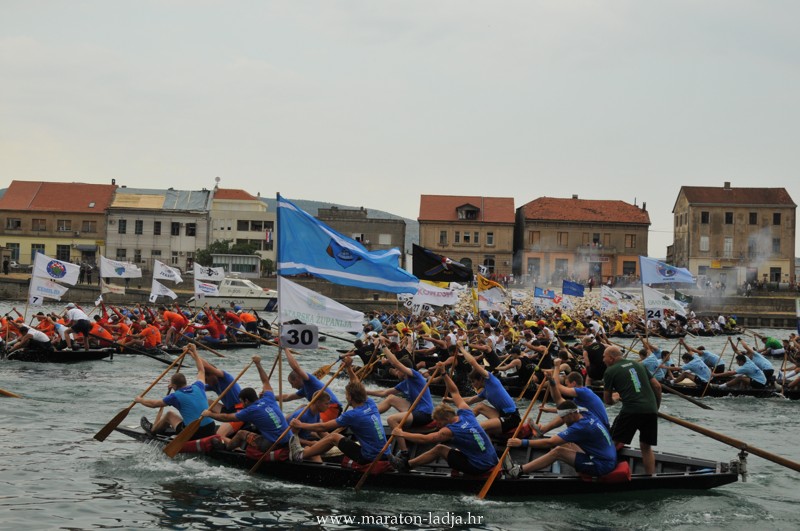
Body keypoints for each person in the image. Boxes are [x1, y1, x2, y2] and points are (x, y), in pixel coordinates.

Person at [390, 372, 499, 476]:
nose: (437, 425)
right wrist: (444, 374)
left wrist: (401, 433)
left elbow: (425, 439)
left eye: (438, 422)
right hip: (492, 459)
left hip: (479, 466)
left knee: (440, 449)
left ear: (446, 418)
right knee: (457, 448)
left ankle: (406, 465)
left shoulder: (449, 430)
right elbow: (455, 392)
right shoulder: (467, 413)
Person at [288, 357, 391, 465]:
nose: (346, 398)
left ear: (350, 398)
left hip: (370, 458)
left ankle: (300, 454)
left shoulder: (352, 415)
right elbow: (357, 384)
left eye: (346, 395)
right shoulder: (370, 403)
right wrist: (349, 369)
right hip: (385, 453)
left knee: (334, 437)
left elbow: (323, 427)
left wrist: (300, 425)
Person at [505, 400, 617, 478]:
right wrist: (548, 410)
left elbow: (550, 442)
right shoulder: (585, 412)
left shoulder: (581, 427)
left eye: (564, 418)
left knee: (558, 451)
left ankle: (518, 471)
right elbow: (566, 408)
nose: (563, 420)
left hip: (602, 465)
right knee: (564, 443)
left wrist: (522, 443)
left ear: (572, 414)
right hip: (608, 455)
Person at [202, 355, 290, 452]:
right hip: (287, 438)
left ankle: (230, 449)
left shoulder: (249, 411)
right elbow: (265, 381)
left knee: (236, 434)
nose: (242, 404)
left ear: (246, 401)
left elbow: (226, 417)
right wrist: (258, 364)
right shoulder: (269, 398)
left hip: (271, 444)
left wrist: (210, 414)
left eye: (242, 401)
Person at [136, 344, 217, 440]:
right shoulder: (198, 386)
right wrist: (194, 351)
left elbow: (154, 404)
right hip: (211, 428)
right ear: (185, 382)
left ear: (174, 386)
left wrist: (140, 400)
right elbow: (201, 370)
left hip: (194, 432)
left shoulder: (175, 397)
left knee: (169, 414)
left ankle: (153, 430)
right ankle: (166, 427)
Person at [365, 340, 434, 453]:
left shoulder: (415, 376)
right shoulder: (404, 383)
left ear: (403, 369)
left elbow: (396, 363)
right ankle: (367, 415)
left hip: (424, 414)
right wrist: (366, 392)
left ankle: (404, 452)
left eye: (398, 370)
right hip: (415, 409)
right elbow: (384, 393)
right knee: (391, 398)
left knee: (391, 419)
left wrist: (383, 346)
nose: (396, 372)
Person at [602, 345, 661, 475]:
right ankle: (650, 476)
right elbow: (657, 386)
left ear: (611, 358)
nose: (603, 360)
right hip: (650, 410)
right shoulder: (638, 364)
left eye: (604, 357)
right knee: (646, 447)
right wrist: (655, 408)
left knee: (611, 441)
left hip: (631, 410)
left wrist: (616, 399)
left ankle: (604, 471)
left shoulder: (610, 371)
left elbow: (607, 401)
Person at [450, 345, 519, 437]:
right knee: (480, 406)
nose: (472, 385)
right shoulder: (484, 392)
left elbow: (473, 363)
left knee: (477, 427)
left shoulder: (491, 380)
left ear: (481, 379)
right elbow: (469, 401)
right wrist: (450, 400)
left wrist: (461, 348)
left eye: (473, 382)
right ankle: (460, 424)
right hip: (502, 415)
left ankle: (468, 435)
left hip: (512, 418)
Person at [278, 348, 342, 422]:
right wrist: (268, 396)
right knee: (302, 407)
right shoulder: (304, 390)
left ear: (298, 377)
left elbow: (295, 367)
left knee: (305, 418)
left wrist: (285, 348)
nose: (292, 386)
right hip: (321, 409)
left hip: (331, 408)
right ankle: (283, 424)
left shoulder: (309, 380)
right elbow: (287, 397)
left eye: (292, 383)